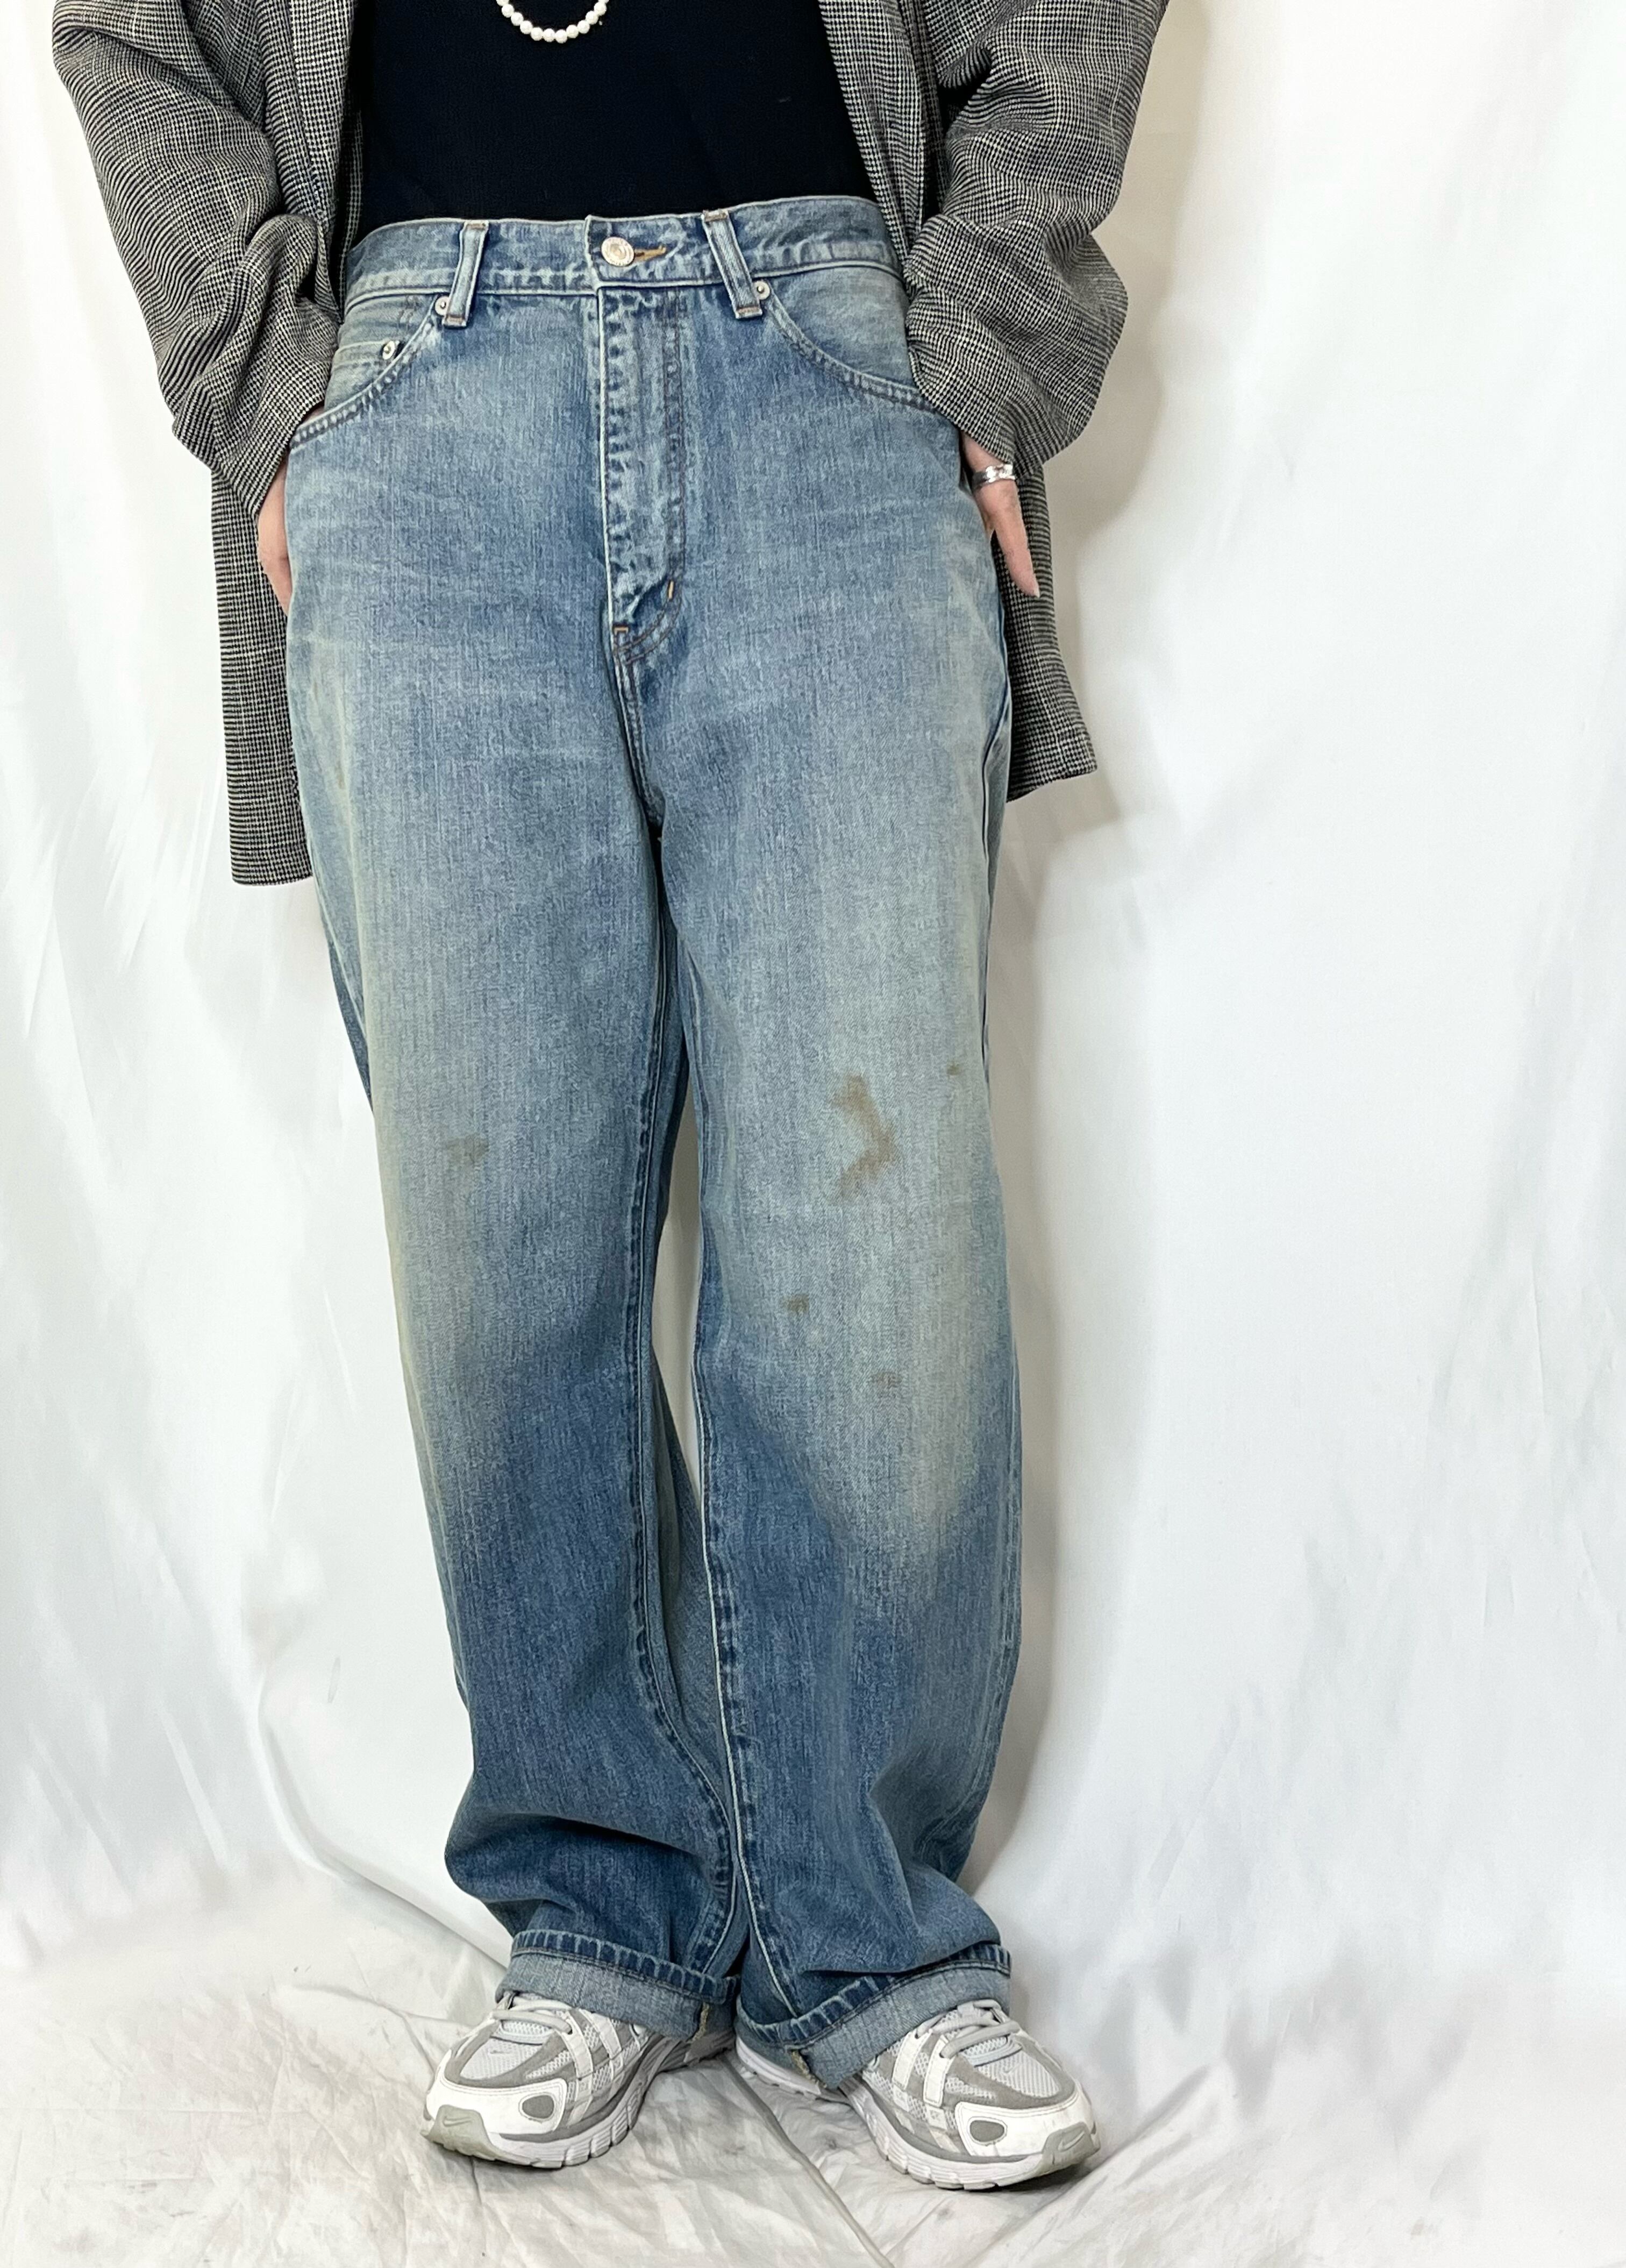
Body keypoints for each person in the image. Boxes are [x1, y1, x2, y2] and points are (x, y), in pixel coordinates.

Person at [54, 0, 1163, 2191]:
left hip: (827, 356)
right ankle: (598, 1914)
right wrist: (279, 408)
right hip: (419, 388)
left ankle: (879, 1939)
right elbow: (127, 25)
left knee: (873, 1224)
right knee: (502, 1239)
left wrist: (981, 335)